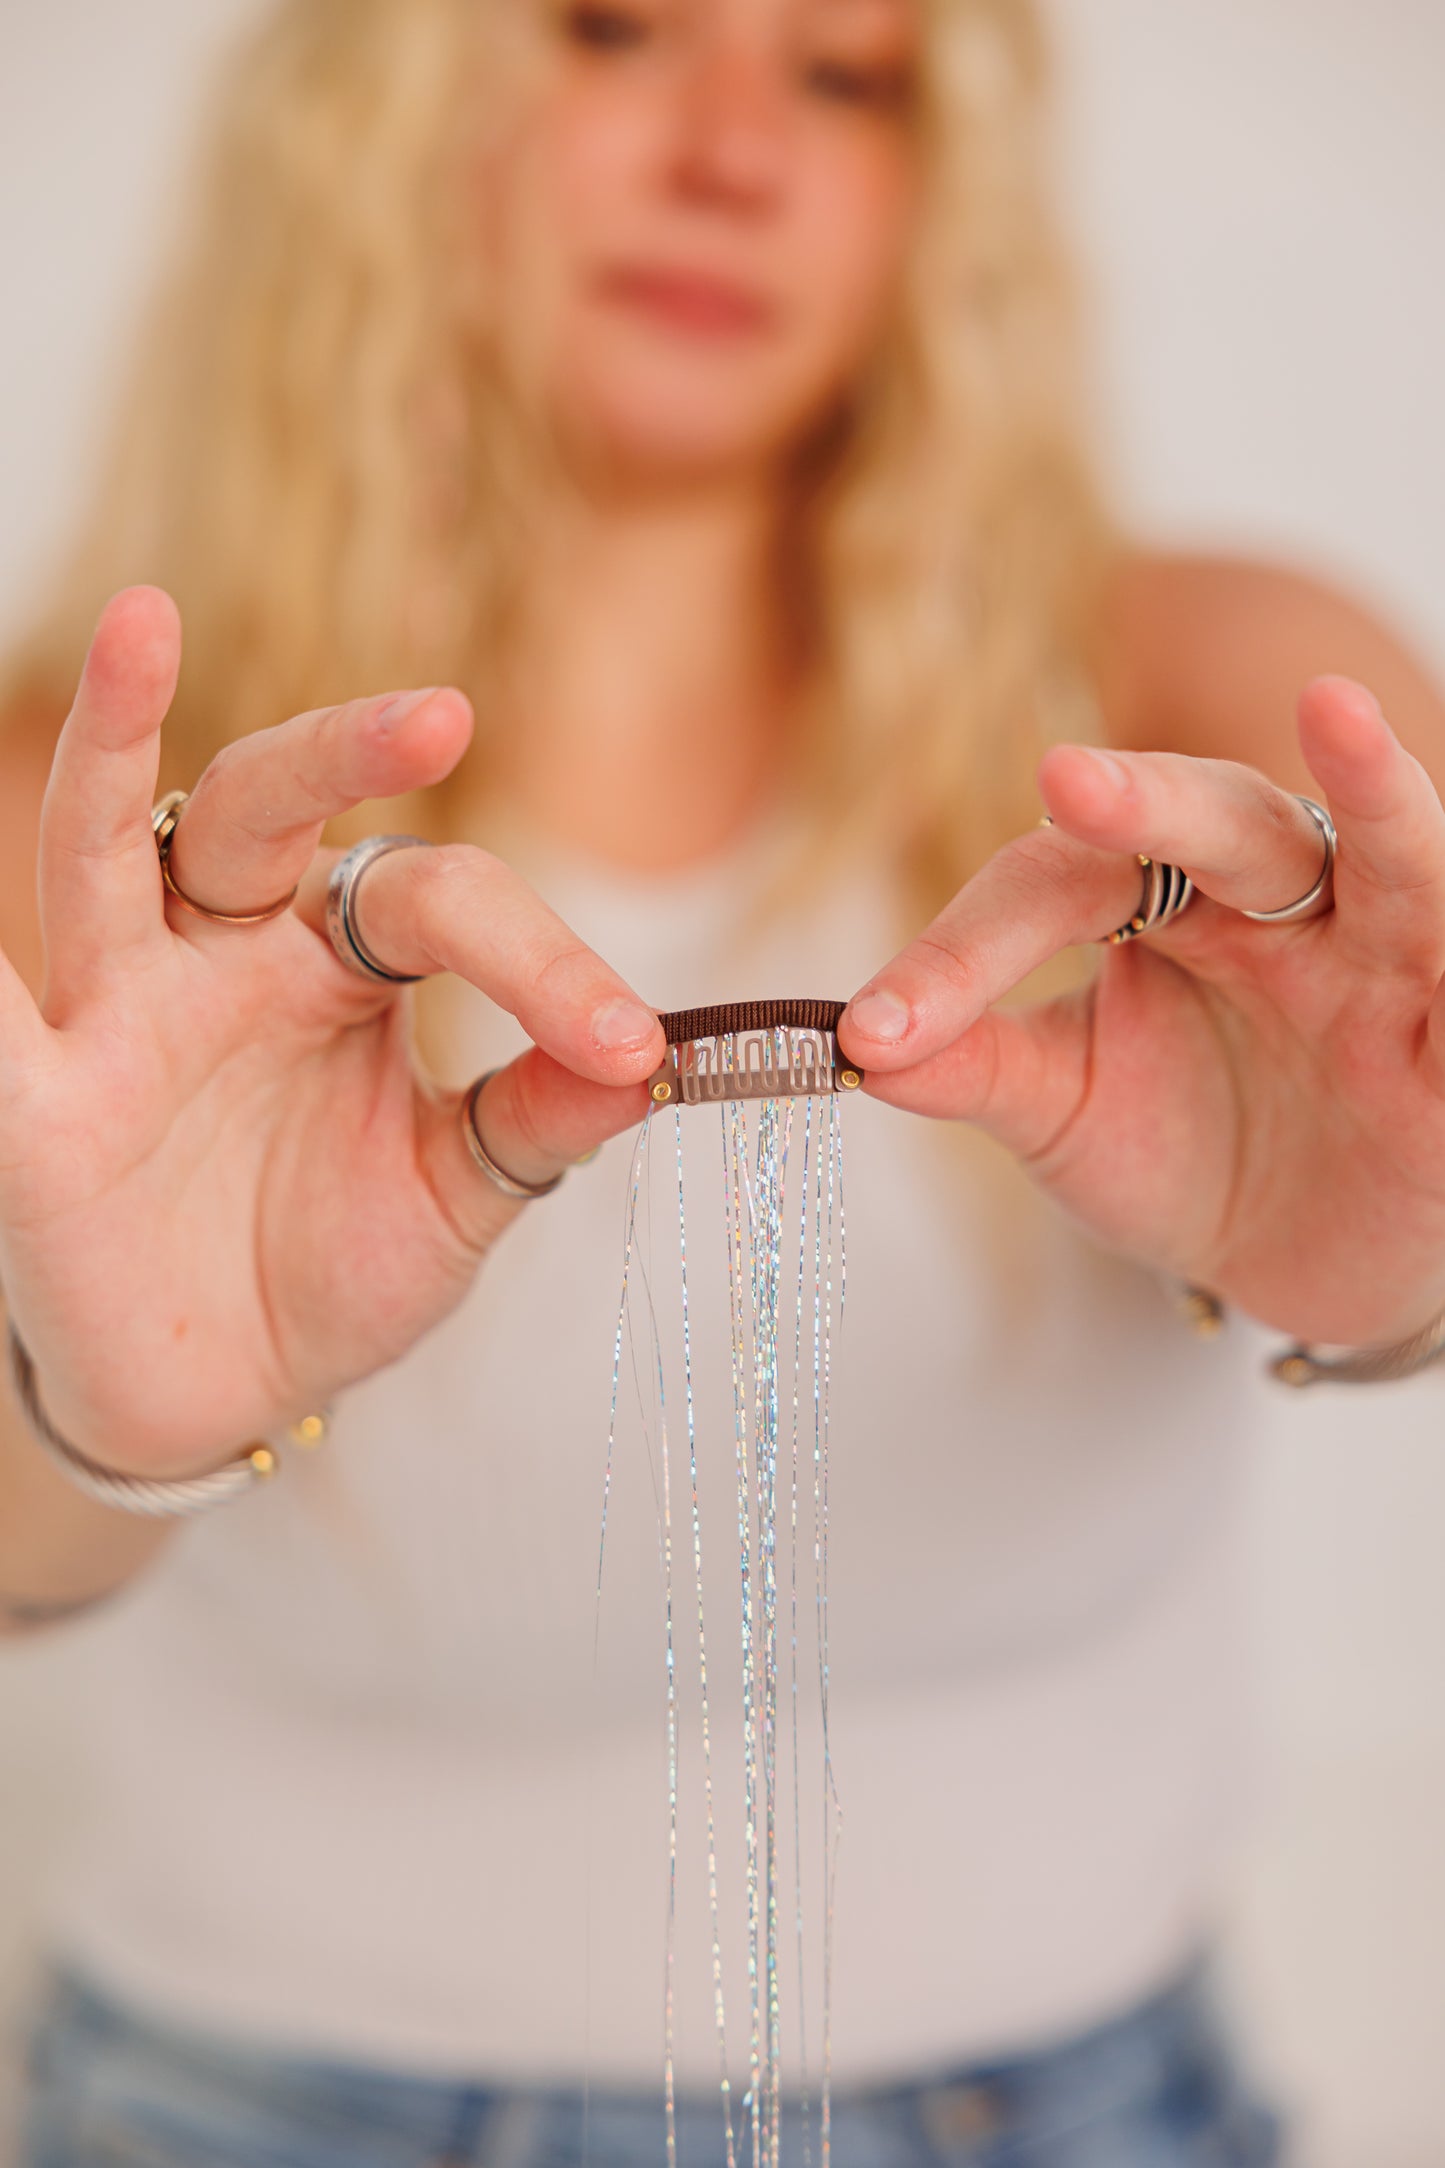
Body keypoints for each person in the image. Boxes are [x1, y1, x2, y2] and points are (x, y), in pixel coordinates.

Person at [2, 1, 1443, 2161]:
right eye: (615, 31)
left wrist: (1408, 1284)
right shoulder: (82, 834)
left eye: (844, 79)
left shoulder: (1226, 709)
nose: (733, 155)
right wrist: (100, 1418)